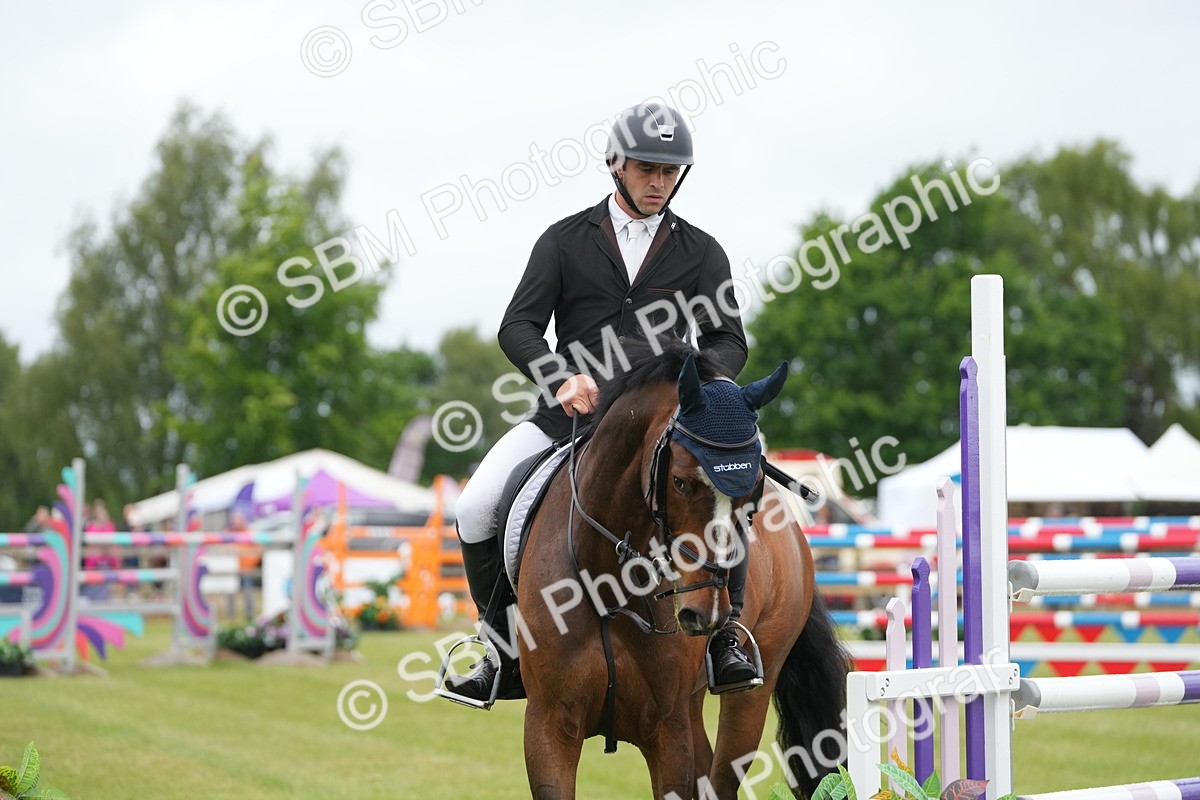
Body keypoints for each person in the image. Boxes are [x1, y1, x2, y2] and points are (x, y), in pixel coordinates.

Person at [449, 101, 755, 705]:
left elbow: (728, 339)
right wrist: (560, 377)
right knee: (476, 504)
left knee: (731, 488)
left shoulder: (701, 250)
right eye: (647, 168)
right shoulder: (565, 240)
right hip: (571, 417)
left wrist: (699, 383)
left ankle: (727, 635)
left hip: (663, 427)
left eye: (670, 172)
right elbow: (518, 326)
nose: (658, 182)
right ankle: (498, 649)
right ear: (615, 164)